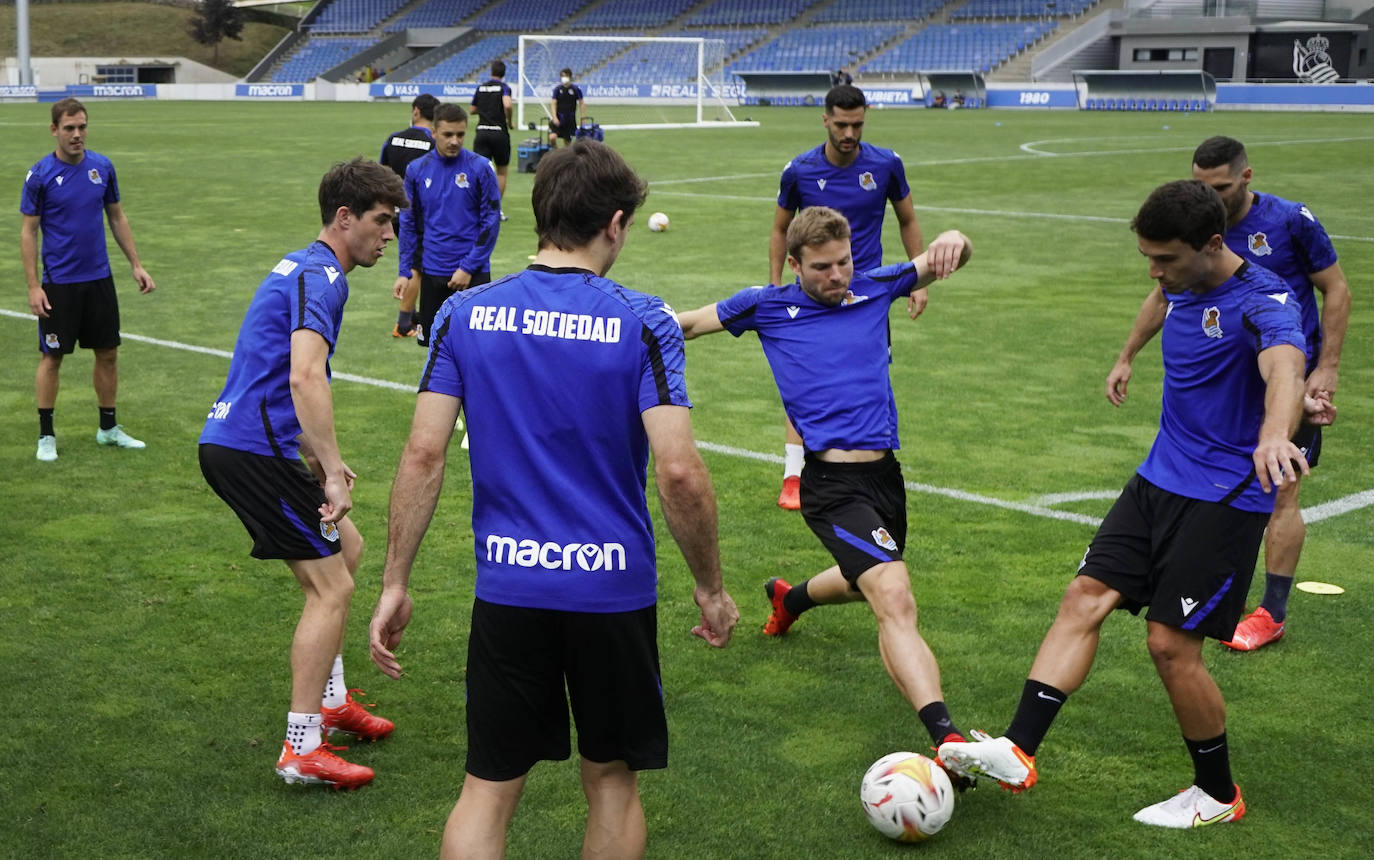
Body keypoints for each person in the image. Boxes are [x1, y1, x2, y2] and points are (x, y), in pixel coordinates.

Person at [368, 139, 738, 857]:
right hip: (611, 593)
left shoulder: (463, 315)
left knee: (488, 785)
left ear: (540, 215)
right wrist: (710, 588)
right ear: (618, 223)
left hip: (510, 586)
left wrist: (394, 581)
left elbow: (422, 453)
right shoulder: (643, 321)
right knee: (611, 781)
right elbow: (680, 472)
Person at [938, 180, 1321, 828]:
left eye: (1166, 259)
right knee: (1083, 596)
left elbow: (1284, 368)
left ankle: (1218, 795)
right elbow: (1160, 299)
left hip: (1226, 493)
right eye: (1147, 257)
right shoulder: (1179, 280)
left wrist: (1276, 432)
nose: (1155, 272)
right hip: (1158, 478)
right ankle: (1017, 749)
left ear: (1211, 244)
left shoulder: (1266, 301)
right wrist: (1125, 356)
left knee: (1170, 645)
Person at [677, 205, 973, 760]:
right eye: (821, 268)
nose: (837, 277)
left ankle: (790, 600)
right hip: (831, 484)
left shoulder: (875, 286)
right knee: (893, 595)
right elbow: (689, 324)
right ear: (794, 265)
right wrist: (623, 327)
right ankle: (948, 738)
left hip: (886, 478)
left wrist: (956, 238)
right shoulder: (766, 306)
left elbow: (937, 260)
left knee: (866, 579)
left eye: (843, 262)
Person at [199, 157, 409, 789]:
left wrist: (320, 459)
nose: (389, 235)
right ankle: (301, 747)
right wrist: (334, 477)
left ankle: (333, 698)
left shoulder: (306, 266)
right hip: (249, 452)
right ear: (344, 219)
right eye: (381, 221)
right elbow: (303, 375)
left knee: (349, 547)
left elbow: (280, 375)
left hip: (248, 442)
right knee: (331, 589)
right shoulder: (324, 280)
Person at [1105, 136, 1352, 652]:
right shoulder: (1191, 227)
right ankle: (1217, 589)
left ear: (1245, 177)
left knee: (1280, 486)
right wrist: (1128, 354)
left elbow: (1336, 288)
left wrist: (1324, 367)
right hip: (1228, 380)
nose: (1209, 195)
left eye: (1218, 187)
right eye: (1200, 185)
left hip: (1284, 378)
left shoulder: (1290, 222)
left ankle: (1272, 612)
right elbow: (1163, 293)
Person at [768, 84, 925, 510]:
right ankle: (793, 474)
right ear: (825, 120)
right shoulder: (799, 171)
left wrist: (919, 278)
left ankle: (872, 461)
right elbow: (781, 229)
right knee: (805, 378)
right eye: (841, 124)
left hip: (868, 297)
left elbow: (907, 219)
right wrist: (774, 283)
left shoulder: (887, 164)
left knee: (871, 377)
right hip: (813, 294)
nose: (849, 133)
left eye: (856, 124)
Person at [22, 97, 156, 462]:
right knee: (52, 357)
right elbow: (28, 231)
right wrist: (34, 286)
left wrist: (136, 265)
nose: (77, 134)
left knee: (108, 353)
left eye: (82, 127)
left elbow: (116, 217)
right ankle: (46, 435)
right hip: (59, 284)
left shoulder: (102, 168)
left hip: (99, 278)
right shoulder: (40, 176)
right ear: (54, 130)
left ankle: (109, 428)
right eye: (69, 128)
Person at [393, 103, 501, 348]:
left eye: (460, 135)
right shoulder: (417, 170)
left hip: (472, 275)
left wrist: (468, 267)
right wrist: (404, 272)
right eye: (448, 135)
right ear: (433, 132)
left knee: (476, 349)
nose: (454, 141)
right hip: (433, 273)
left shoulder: (480, 168)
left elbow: (491, 222)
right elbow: (408, 224)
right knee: (433, 349)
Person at [380, 93, 439, 338]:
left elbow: (382, 174)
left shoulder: (393, 139)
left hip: (393, 211)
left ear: (416, 112)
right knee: (419, 265)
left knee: (416, 261)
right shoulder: (433, 144)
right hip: (418, 213)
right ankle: (404, 324)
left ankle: (413, 314)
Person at [471, 60, 513, 223]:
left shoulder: (481, 87)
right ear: (503, 74)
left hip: (481, 132)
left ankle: (477, 208)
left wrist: (485, 109)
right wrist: (509, 121)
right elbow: (508, 105)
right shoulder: (504, 87)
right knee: (501, 172)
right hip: (499, 133)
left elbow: (472, 109)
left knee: (479, 171)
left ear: (491, 71)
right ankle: (496, 210)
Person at [548, 67, 585, 148]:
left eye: (565, 76)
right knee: (552, 137)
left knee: (567, 144)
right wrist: (554, 117)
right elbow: (553, 103)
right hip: (558, 117)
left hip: (569, 119)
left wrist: (583, 118)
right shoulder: (557, 89)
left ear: (570, 77)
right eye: (562, 76)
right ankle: (556, 152)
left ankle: (564, 157)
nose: (563, 78)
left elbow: (581, 103)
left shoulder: (576, 89)